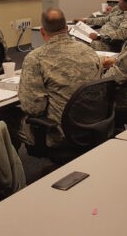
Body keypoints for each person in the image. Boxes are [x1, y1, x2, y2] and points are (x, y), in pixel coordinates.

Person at [13, 8, 102, 147]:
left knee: (8, 120)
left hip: (59, 132)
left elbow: (34, 108)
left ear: (42, 31)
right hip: (94, 123)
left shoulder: (35, 58)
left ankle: (13, 167)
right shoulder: (89, 51)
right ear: (67, 29)